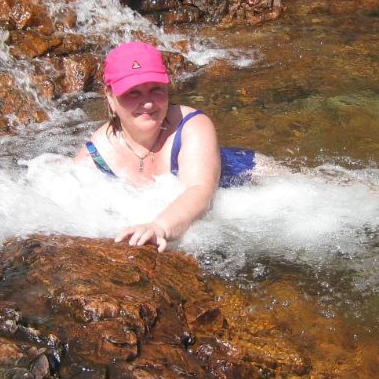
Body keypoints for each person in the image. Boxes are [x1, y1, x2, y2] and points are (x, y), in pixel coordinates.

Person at [75, 41, 255, 250]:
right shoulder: (93, 159)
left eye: (156, 89)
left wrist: (159, 227)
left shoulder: (192, 126)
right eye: (133, 92)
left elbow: (200, 190)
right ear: (110, 97)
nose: (148, 103)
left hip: (241, 169)